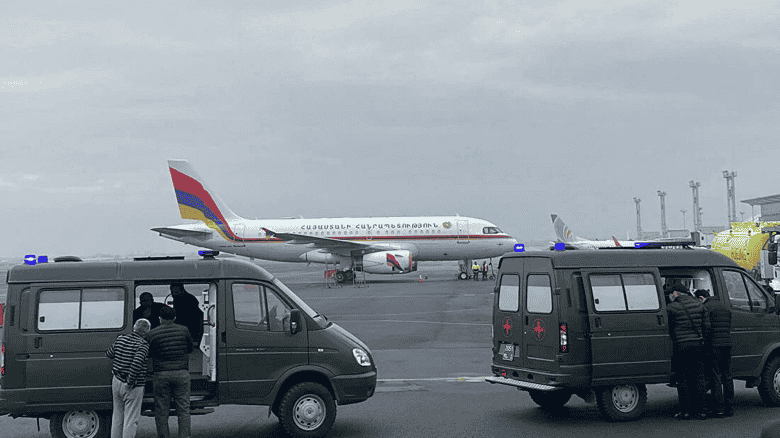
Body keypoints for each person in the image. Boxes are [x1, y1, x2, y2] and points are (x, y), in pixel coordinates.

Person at [147, 306, 194, 438]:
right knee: (183, 409)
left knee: (161, 411)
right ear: (174, 318)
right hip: (181, 373)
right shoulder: (184, 330)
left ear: (160, 318)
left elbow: (149, 353)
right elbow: (190, 349)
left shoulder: (152, 333)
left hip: (161, 374)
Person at [667, 282, 710, 420]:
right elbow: (707, 327)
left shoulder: (672, 308)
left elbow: (669, 329)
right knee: (699, 377)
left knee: (683, 379)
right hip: (698, 344)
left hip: (681, 346)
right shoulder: (699, 305)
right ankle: (702, 411)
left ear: (675, 293)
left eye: (670, 294)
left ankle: (685, 411)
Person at [106, 318, 151, 438]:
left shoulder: (121, 339)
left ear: (134, 327)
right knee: (131, 419)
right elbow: (137, 364)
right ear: (147, 332)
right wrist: (130, 382)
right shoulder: (142, 345)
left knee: (117, 416)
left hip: (116, 380)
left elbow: (109, 354)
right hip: (132, 385)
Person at [694, 289, 734, 417]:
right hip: (727, 344)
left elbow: (706, 328)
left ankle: (718, 409)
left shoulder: (706, 308)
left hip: (714, 346)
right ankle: (729, 408)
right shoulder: (724, 306)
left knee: (715, 376)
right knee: (727, 376)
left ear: (701, 298)